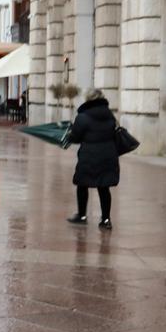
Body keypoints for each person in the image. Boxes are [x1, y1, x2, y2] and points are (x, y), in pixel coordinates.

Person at [64, 87, 119, 230]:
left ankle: (82, 215)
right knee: (104, 187)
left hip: (89, 155)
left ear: (88, 99)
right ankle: (106, 219)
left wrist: (69, 134)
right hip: (108, 155)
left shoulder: (83, 117)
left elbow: (75, 137)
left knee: (82, 185)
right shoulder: (110, 116)